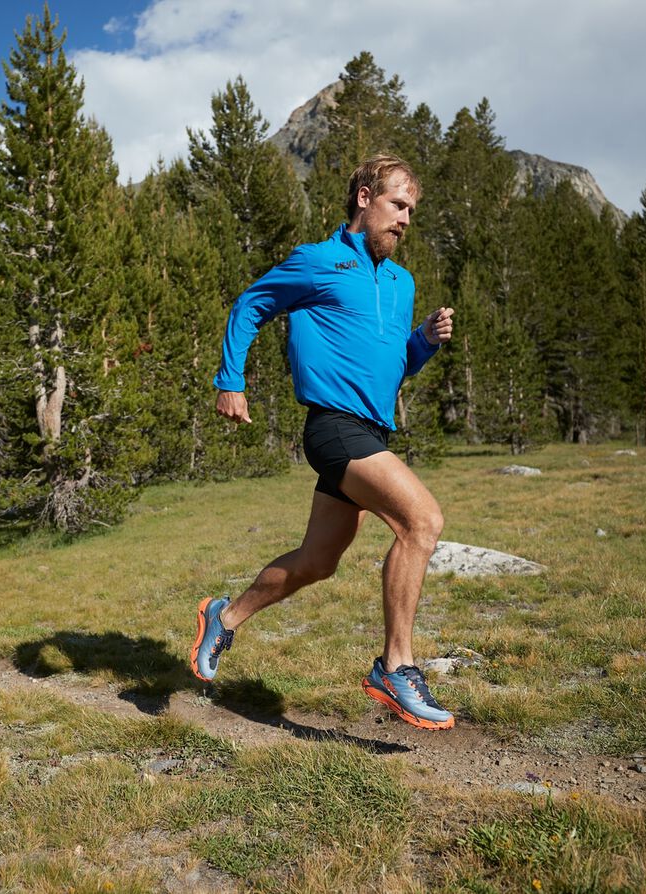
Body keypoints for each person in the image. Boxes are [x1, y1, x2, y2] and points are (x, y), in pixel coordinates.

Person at [189, 154, 456, 730]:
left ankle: (223, 618)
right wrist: (230, 381)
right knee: (422, 522)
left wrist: (424, 341)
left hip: (371, 428)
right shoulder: (318, 261)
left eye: (412, 210)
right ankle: (396, 666)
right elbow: (250, 306)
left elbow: (393, 366)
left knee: (317, 561)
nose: (406, 220)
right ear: (364, 197)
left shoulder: (401, 281)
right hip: (333, 428)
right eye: (397, 205)